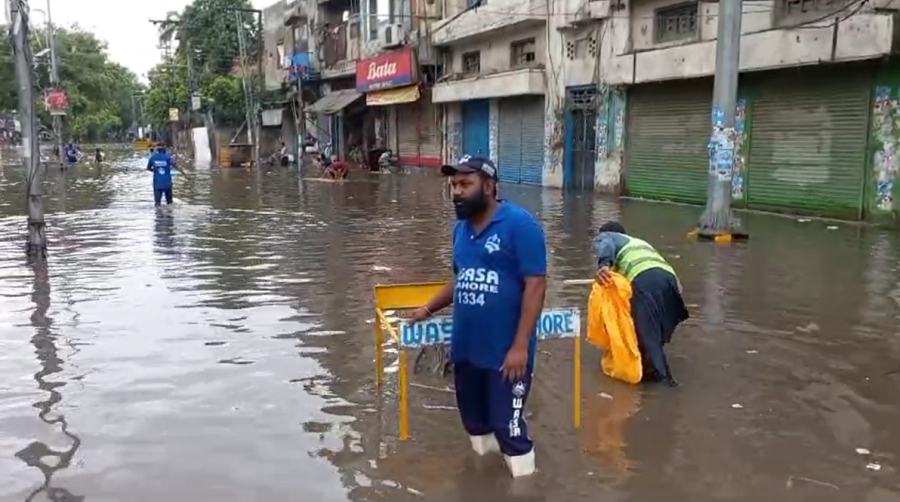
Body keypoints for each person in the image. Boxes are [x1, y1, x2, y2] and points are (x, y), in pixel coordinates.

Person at [408, 155, 547, 478]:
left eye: (465, 184)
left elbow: (536, 284)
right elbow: (461, 278)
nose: (457, 191)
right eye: (454, 184)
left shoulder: (520, 225)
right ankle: (484, 480)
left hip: (506, 353)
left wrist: (520, 347)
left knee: (508, 427)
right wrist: (428, 308)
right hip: (467, 350)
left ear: (488, 186)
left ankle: (524, 488)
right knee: (474, 422)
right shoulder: (461, 230)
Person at [593, 221, 689, 386]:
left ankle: (664, 386)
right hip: (672, 283)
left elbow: (605, 243)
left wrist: (603, 265)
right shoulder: (638, 244)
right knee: (652, 335)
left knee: (646, 335)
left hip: (646, 279)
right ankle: (650, 371)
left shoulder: (609, 237)